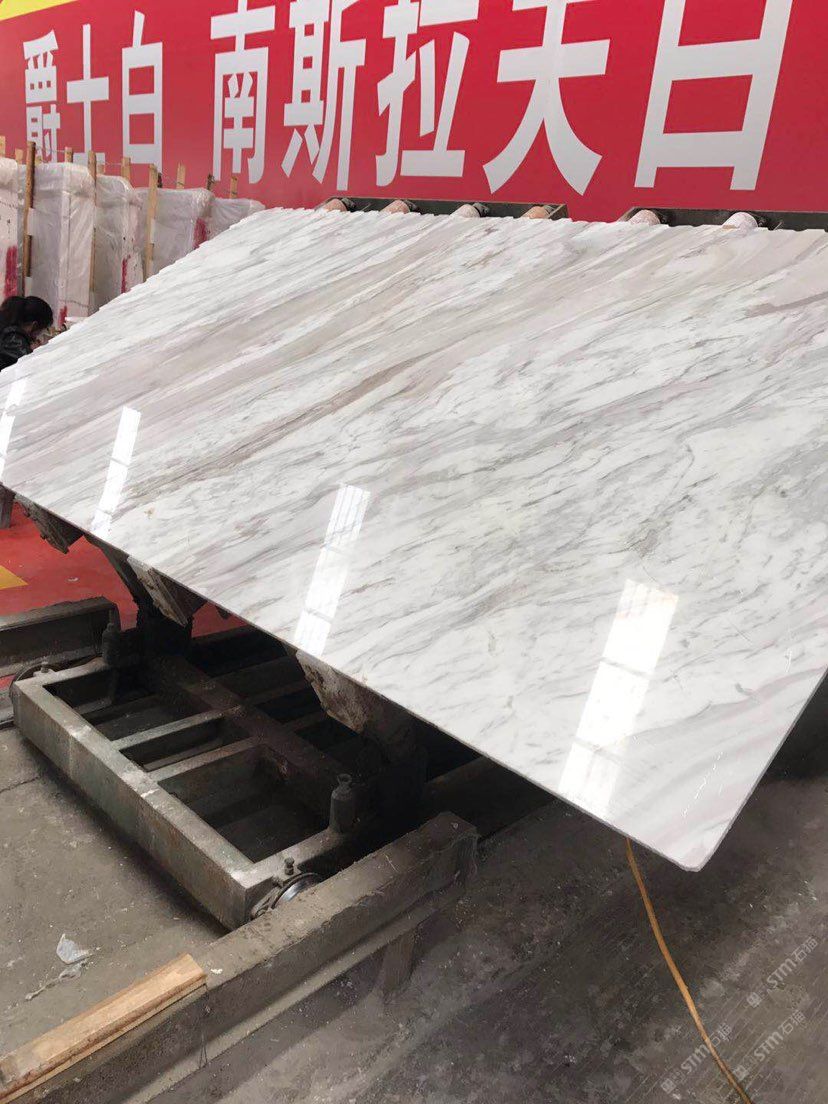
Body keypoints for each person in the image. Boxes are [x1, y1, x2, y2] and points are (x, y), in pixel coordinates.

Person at [0, 295, 54, 372]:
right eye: (41, 331)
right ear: (34, 325)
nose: (38, 336)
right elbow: (30, 367)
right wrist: (35, 352)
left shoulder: (6, 327)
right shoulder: (13, 338)